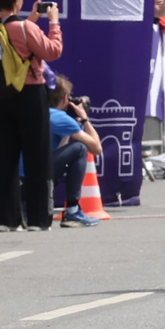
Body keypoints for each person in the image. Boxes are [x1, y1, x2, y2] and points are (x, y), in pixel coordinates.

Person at [0, 0, 63, 231]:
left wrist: (32, 20)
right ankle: (38, 218)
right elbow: (53, 50)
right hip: (29, 94)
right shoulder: (26, 29)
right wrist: (53, 22)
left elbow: (14, 39)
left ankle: (6, 218)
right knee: (37, 156)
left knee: (5, 156)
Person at [46, 79, 103, 226]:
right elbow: (96, 148)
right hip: (40, 174)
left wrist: (70, 129)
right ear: (65, 98)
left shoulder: (39, 113)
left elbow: (59, 150)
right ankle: (72, 210)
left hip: (24, 176)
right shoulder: (59, 117)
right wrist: (84, 119)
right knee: (80, 149)